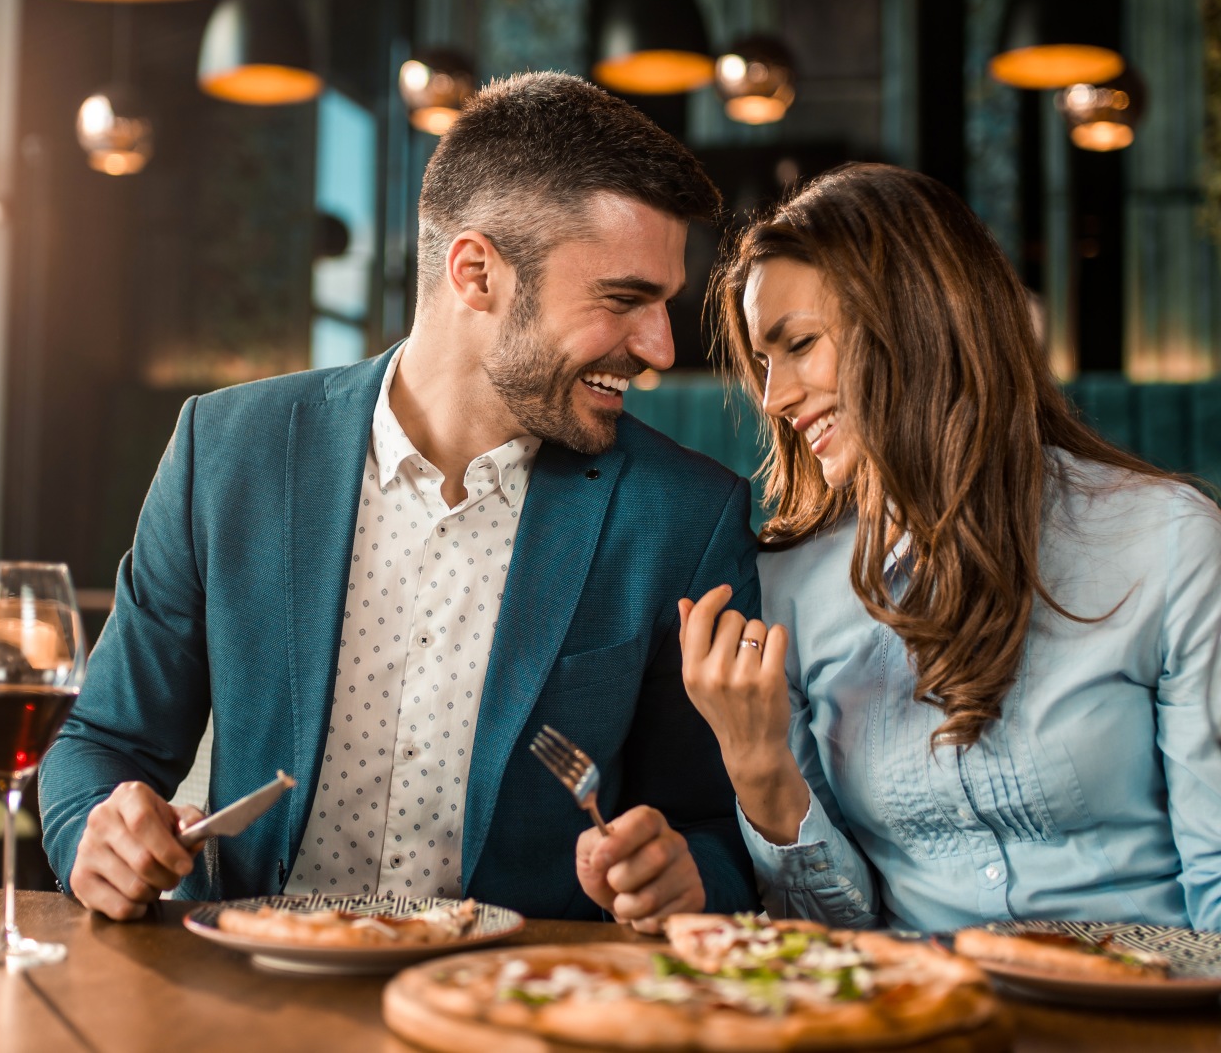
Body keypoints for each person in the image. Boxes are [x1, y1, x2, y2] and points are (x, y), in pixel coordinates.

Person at [679, 163, 1221, 965]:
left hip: (1153, 1011)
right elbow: (837, 935)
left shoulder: (1167, 540)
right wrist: (763, 777)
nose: (774, 398)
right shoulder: (789, 587)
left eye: (797, 345)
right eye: (761, 360)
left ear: (915, 324)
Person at [39, 72, 760, 930]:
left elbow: (720, 832)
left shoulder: (687, 516)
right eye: (623, 299)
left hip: (509, 1004)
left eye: (664, 304)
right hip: (244, 985)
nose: (659, 347)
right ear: (476, 272)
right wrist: (97, 832)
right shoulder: (225, 450)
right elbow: (102, 743)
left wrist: (684, 875)